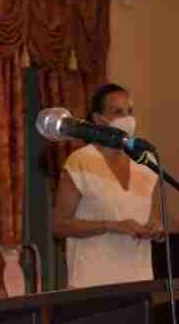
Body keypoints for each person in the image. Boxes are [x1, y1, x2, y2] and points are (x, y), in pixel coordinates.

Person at [52, 84, 164, 288]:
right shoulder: (80, 161)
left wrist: (155, 229)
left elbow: (155, 218)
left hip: (139, 282)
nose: (127, 118)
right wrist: (111, 226)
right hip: (92, 285)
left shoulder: (146, 161)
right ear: (98, 119)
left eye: (129, 111)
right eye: (117, 112)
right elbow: (59, 225)